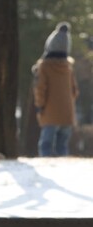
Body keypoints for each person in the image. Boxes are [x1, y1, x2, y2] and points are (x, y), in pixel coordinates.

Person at [33, 22, 79, 157]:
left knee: (45, 145)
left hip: (49, 113)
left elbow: (40, 89)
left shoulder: (44, 67)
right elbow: (74, 91)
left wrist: (39, 106)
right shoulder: (68, 68)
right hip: (67, 115)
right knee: (62, 146)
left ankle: (46, 170)